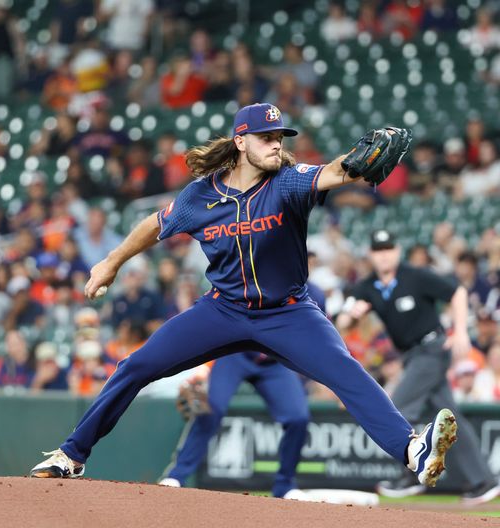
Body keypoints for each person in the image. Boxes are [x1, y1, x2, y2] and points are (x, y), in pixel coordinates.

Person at [29, 103, 457, 492]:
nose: (276, 144)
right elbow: (155, 225)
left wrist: (356, 164)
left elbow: (337, 171)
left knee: (346, 372)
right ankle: (72, 455)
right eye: (266, 137)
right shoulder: (200, 195)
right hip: (223, 309)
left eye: (279, 137)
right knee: (135, 365)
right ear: (240, 142)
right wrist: (111, 261)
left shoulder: (289, 182)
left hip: (288, 313)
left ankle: (412, 451)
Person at [337, 229, 500, 506]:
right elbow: (341, 321)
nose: (384, 254)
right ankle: (483, 481)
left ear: (397, 251)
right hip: (411, 356)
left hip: (432, 349)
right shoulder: (367, 286)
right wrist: (350, 317)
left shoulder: (414, 275)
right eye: (378, 250)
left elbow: (458, 292)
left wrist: (460, 331)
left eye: (388, 248)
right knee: (449, 420)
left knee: (399, 408)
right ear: (371, 255)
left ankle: (412, 476)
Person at [158, 284, 326, 498]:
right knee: (212, 408)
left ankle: (285, 485)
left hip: (274, 362)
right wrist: (206, 365)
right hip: (235, 353)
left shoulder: (314, 294)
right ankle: (177, 475)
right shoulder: (250, 280)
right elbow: (216, 322)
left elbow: (316, 337)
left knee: (298, 417)